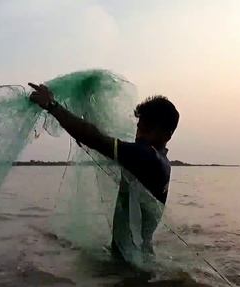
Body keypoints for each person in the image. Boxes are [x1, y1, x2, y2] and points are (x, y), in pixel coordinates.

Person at [28, 82, 179, 266]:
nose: (139, 134)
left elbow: (96, 139)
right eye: (139, 127)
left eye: (147, 129)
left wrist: (53, 106)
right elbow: (99, 141)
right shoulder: (159, 160)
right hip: (138, 260)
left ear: (167, 135)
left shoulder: (147, 157)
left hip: (130, 266)